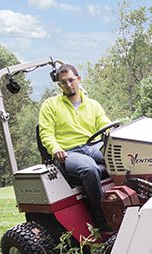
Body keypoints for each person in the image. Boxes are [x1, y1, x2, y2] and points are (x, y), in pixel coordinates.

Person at [38, 64, 113, 231]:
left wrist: (114, 134)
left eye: (71, 80)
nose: (68, 85)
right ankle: (102, 219)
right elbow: (46, 133)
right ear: (59, 85)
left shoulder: (93, 105)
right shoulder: (50, 105)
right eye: (63, 82)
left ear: (79, 79)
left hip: (92, 146)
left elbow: (105, 124)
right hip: (68, 152)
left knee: (120, 158)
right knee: (90, 169)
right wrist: (55, 148)